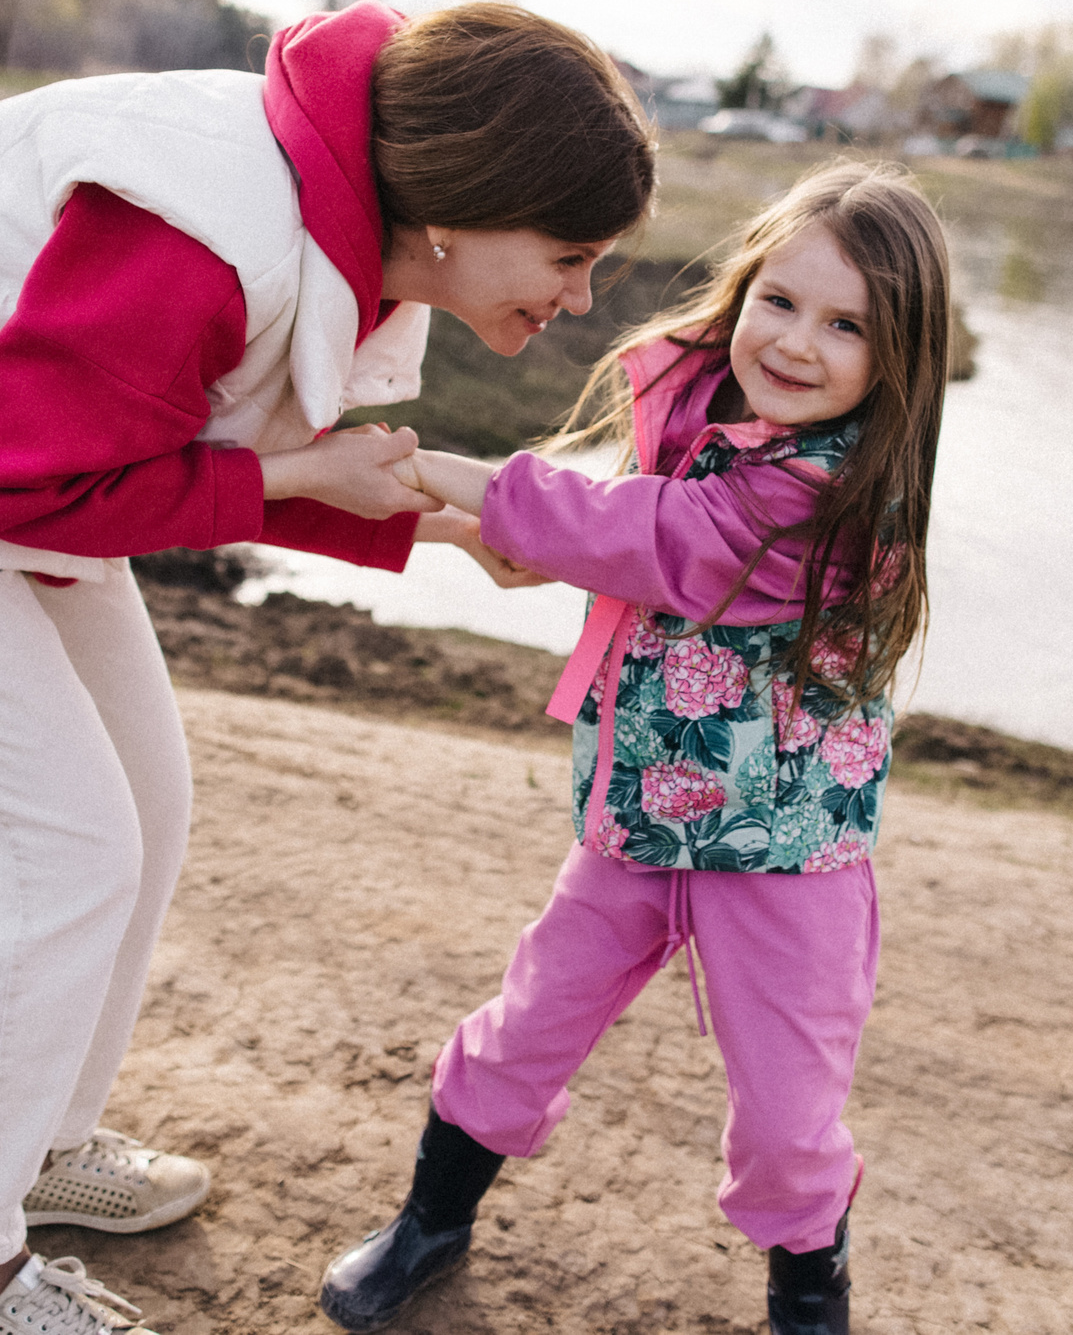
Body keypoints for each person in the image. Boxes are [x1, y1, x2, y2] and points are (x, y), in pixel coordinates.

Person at [0, 0, 656, 1335]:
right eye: (571, 255)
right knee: (44, 855)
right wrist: (314, 481)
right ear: (466, 208)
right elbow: (38, 482)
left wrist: (447, 511)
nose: (580, 296)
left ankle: (39, 1152)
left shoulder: (345, 214)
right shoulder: (207, 229)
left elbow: (171, 430)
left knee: (145, 797)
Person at [317, 162, 954, 1335]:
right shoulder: (713, 419)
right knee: (530, 1021)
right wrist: (461, 527)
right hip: (640, 819)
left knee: (785, 1112)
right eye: (780, 299)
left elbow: (640, 532)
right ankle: (431, 1220)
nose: (798, 342)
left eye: (847, 325)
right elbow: (616, 535)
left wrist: (424, 466)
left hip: (784, 851)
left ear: (898, 358)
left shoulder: (829, 491)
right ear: (745, 286)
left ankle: (809, 1297)